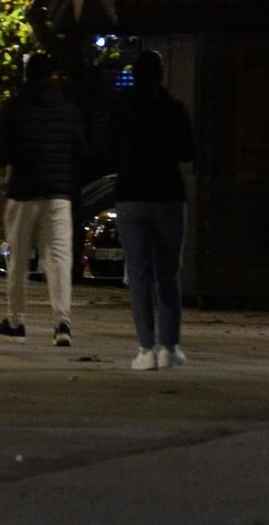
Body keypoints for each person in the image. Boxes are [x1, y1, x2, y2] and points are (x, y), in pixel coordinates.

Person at [0, 52, 85, 346]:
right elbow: (81, 149)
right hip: (59, 195)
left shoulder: (14, 107)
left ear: (26, 73)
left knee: (18, 258)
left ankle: (16, 320)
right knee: (58, 260)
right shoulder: (68, 110)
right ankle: (62, 323)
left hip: (23, 192)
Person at [111, 49, 196, 370]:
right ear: (162, 74)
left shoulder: (122, 109)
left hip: (131, 194)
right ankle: (169, 345)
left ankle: (145, 347)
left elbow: (106, 146)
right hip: (168, 196)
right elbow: (188, 151)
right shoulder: (174, 108)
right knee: (168, 274)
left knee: (139, 274)